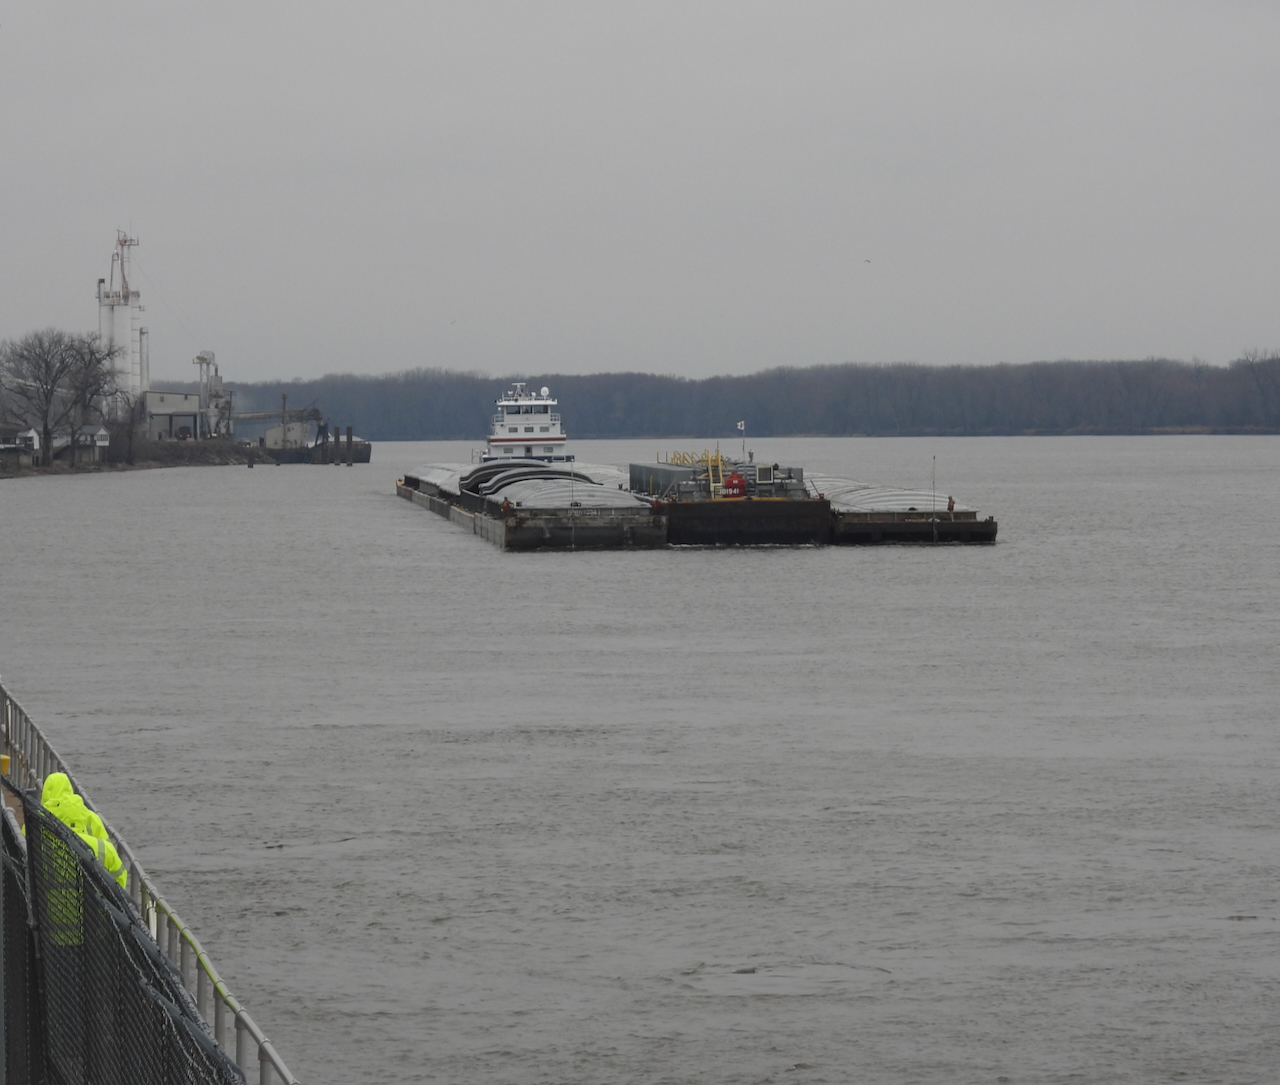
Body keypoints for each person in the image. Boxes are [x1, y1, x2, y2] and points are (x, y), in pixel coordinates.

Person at [39, 772, 128, 890]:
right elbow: (116, 869)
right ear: (70, 790)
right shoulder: (93, 820)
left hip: (47, 903)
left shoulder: (36, 820)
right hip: (90, 901)